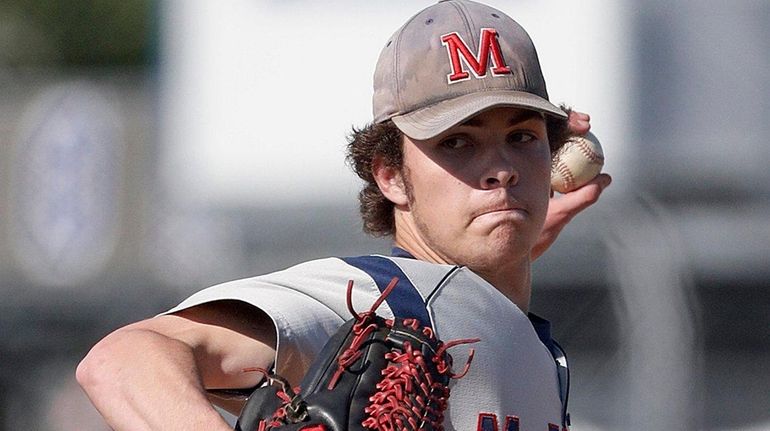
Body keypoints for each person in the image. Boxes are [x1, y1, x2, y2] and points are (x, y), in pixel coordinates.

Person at [77, 1, 612, 430]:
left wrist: (502, 258)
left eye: (522, 137)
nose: (501, 169)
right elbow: (123, 361)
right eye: (456, 144)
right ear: (390, 176)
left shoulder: (509, 328)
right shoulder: (384, 298)